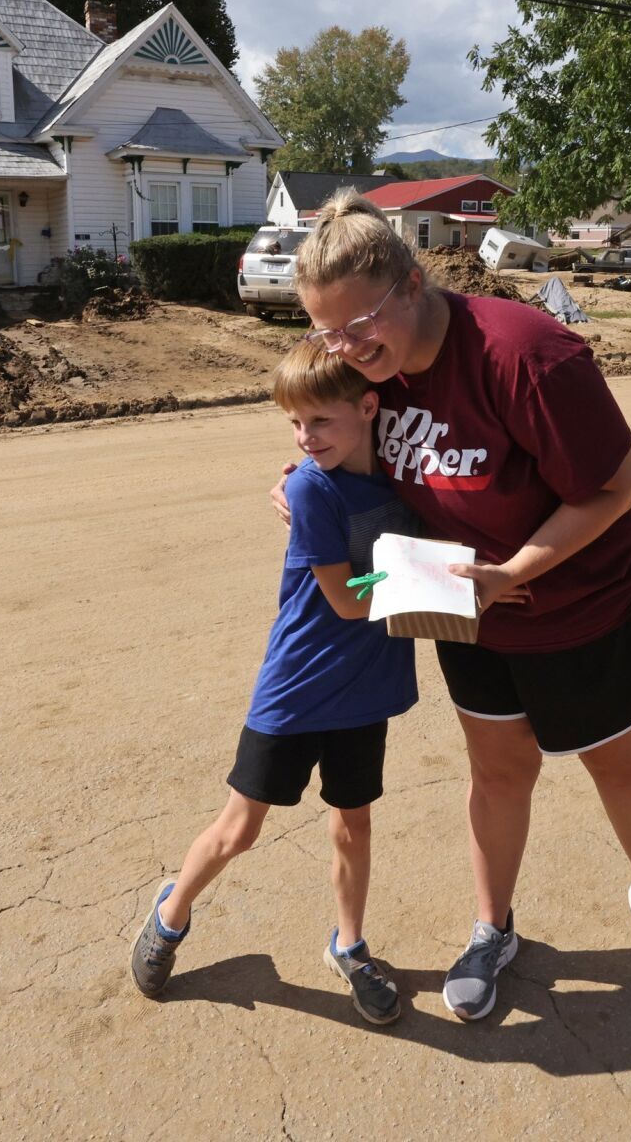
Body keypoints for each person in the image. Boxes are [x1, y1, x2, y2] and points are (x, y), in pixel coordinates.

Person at [273, 190, 631, 1019]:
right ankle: (491, 926)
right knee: (499, 772)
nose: (349, 349)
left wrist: (515, 569)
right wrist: (299, 479)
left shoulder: (526, 356)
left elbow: (616, 488)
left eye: (360, 324)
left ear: (413, 280)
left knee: (618, 765)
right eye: (328, 333)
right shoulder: (368, 371)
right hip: (465, 603)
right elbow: (319, 424)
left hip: (589, 601)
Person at [131, 340, 496, 1024]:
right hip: (296, 686)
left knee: (353, 824)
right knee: (238, 829)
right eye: (295, 425)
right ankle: (170, 913)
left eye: (320, 422)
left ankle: (349, 946)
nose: (305, 437)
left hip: (369, 690)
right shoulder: (310, 485)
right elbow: (346, 599)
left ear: (367, 408)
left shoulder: (398, 477)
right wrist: (423, 571)